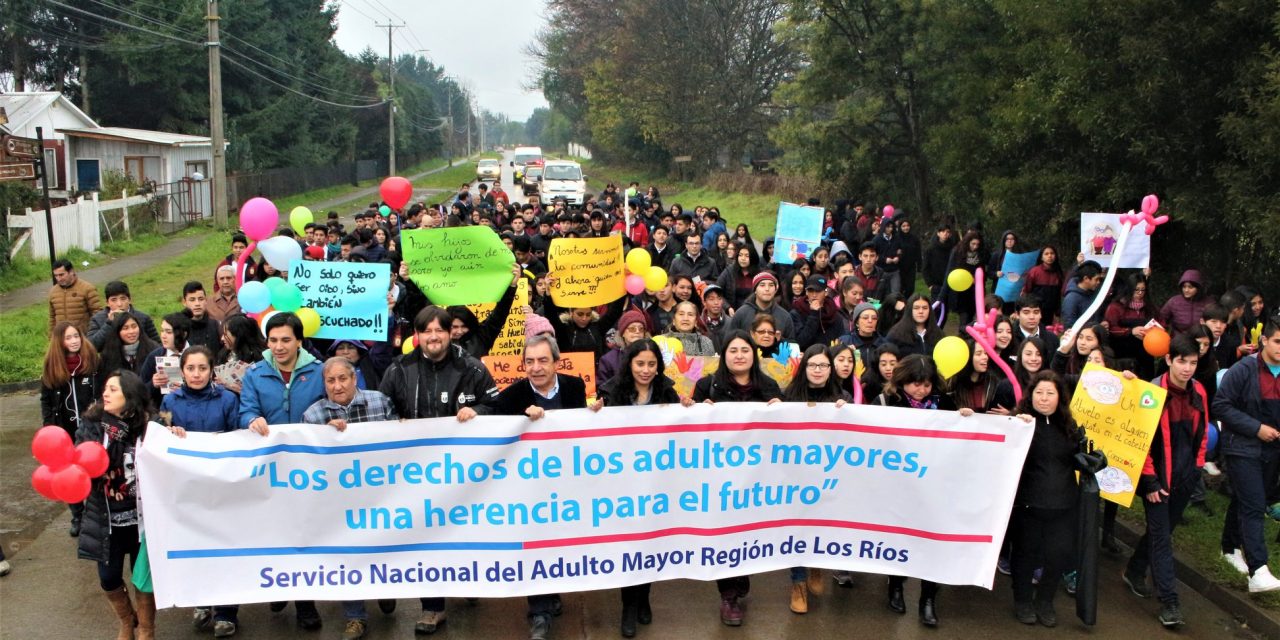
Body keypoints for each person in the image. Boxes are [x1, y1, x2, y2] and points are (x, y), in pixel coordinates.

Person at [378, 305, 499, 634]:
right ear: (417, 335)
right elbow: (382, 411)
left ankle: (469, 579)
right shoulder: (399, 369)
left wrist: (478, 412)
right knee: (426, 535)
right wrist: (394, 424)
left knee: (464, 530)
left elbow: (497, 406)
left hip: (465, 472)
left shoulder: (472, 367)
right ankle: (432, 607)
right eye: (426, 331)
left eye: (439, 330)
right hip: (415, 473)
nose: (433, 337)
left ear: (450, 333)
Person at [478, 335, 583, 640]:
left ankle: (552, 592)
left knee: (560, 544)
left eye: (542, 360)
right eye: (530, 361)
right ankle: (539, 612)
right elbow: (492, 423)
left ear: (556, 362)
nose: (536, 368)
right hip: (529, 489)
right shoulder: (514, 396)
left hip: (566, 485)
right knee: (535, 545)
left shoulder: (575, 387)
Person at [236, 312, 328, 629]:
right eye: (273, 340)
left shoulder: (319, 371)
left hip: (308, 469)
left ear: (300, 341)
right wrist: (250, 418)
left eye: (286, 340)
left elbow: (333, 405)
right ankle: (279, 584)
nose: (278, 346)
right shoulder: (255, 374)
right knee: (274, 531)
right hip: (270, 469)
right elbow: (246, 407)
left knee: (303, 534)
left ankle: (305, 604)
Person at [299, 357, 398, 640]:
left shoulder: (379, 401)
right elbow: (308, 462)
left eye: (343, 379)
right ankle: (355, 617)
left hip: (381, 496)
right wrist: (326, 438)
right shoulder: (313, 415)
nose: (338, 385)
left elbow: (400, 443)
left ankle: (384, 588)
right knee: (348, 555)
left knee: (382, 548)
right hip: (340, 502)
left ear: (355, 379)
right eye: (331, 381)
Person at [692, 330, 782, 627]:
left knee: (747, 530)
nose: (739, 355)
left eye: (745, 350)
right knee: (724, 532)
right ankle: (728, 595)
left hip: (757, 477)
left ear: (753, 355)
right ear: (724, 355)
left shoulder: (768, 386)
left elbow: (783, 429)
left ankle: (741, 575)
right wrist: (698, 414)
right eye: (733, 350)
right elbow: (691, 431)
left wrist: (779, 411)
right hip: (720, 476)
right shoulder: (707, 386)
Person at [874, 354, 971, 626]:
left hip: (935, 487)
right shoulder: (884, 403)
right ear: (902, 381)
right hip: (898, 486)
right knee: (898, 537)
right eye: (915, 384)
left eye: (927, 385)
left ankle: (928, 598)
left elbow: (961, 439)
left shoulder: (945, 404)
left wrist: (966, 418)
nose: (921, 390)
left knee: (932, 541)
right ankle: (895, 585)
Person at [1121, 335, 1209, 627]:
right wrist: (1150, 481)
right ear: (1169, 359)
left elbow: (1203, 432)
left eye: (1193, 362)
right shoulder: (1151, 391)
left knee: (1162, 532)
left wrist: (1197, 468)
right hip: (1156, 480)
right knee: (1162, 540)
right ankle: (1170, 603)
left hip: (1185, 478)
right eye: (1182, 361)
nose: (1187, 368)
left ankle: (1134, 571)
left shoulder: (1199, 391)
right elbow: (1141, 441)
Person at [76, 370, 164, 640]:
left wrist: (176, 434)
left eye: (113, 390)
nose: (106, 393)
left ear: (130, 395)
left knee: (144, 579)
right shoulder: (91, 425)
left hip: (141, 520)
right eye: (105, 389)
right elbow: (84, 462)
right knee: (109, 578)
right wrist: (111, 438)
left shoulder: (152, 425)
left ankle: (146, 629)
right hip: (106, 519)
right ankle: (128, 621)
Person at [1008, 370, 1084, 628]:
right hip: (1029, 504)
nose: (1043, 398)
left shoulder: (1069, 426)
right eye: (1039, 392)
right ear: (1031, 395)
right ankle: (1023, 602)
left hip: (1064, 505)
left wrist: (1088, 460)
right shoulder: (1020, 423)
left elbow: (1077, 457)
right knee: (1025, 555)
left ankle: (1045, 601)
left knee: (1058, 555)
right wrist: (1014, 423)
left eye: (1050, 393)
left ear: (1059, 396)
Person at [782, 345, 850, 613]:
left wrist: (848, 413)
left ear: (830, 369)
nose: (818, 370)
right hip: (796, 476)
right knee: (797, 526)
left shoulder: (842, 396)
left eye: (823, 365)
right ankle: (798, 583)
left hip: (830, 476)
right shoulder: (790, 395)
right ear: (805, 367)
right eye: (813, 365)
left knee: (822, 523)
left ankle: (817, 563)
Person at [1216, 315, 1280, 593]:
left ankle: (1229, 547)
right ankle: (1258, 570)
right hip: (1242, 447)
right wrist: (1256, 428)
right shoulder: (1244, 369)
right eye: (1278, 341)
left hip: (1272, 451)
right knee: (1254, 505)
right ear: (1264, 340)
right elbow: (1221, 405)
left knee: (1249, 497)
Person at [41, 321, 101, 537]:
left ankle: (96, 515)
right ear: (60, 342)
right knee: (68, 476)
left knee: (94, 473)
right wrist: (49, 428)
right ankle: (77, 514)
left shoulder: (94, 362)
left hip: (91, 430)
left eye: (76, 336)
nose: (74, 341)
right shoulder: (52, 367)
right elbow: (46, 401)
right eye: (68, 337)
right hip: (64, 432)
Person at [87, 280, 160, 349]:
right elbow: (92, 346)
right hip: (111, 360)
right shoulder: (98, 319)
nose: (119, 304)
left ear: (129, 300)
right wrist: (108, 324)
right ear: (107, 303)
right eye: (114, 300)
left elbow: (157, 345)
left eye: (123, 298)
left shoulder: (143, 318)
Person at [726, 272, 795, 340]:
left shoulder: (785, 316)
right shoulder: (741, 314)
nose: (767, 289)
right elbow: (730, 341)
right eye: (762, 285)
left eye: (771, 285)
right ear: (755, 290)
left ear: (775, 290)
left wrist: (778, 341)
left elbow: (791, 345)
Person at [49, 258, 102, 335]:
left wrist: (92, 335)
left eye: (61, 275)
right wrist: (52, 338)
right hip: (62, 338)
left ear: (71, 272)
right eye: (56, 276)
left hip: (84, 337)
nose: (58, 279)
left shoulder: (87, 289)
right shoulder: (53, 292)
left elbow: (97, 314)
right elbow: (52, 318)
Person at [99, 312, 162, 377]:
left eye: (134, 327)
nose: (131, 332)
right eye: (125, 328)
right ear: (117, 332)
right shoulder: (108, 354)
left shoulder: (153, 349)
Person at [215, 314, 265, 395]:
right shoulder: (223, 355)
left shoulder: (261, 359)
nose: (222, 338)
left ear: (238, 335)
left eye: (226, 334)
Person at [1021, 246, 1065, 325]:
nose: (1049, 256)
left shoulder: (1058, 273)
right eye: (1046, 254)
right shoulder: (1034, 271)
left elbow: (1058, 296)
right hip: (1035, 310)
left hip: (1050, 312)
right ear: (1041, 257)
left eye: (1052, 253)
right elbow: (1026, 291)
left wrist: (1057, 313)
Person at [1159, 269, 1210, 338]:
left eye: (1190, 287)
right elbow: (1161, 318)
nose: (1186, 290)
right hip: (1179, 340)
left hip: (1202, 340)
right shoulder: (1174, 301)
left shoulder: (1209, 302)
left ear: (1198, 288)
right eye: (1184, 287)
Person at [1060, 260, 1104, 329]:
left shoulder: (1093, 294)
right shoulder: (1071, 298)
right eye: (1096, 279)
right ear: (1086, 278)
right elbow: (1069, 325)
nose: (1098, 282)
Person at [839, 302, 884, 367]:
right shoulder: (844, 342)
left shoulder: (883, 344)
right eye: (865, 318)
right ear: (857, 321)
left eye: (874, 318)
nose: (870, 321)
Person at [180, 281, 223, 350]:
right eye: (192, 300)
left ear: (206, 300)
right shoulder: (178, 327)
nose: (197, 303)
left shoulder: (216, 325)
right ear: (184, 302)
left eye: (201, 299)